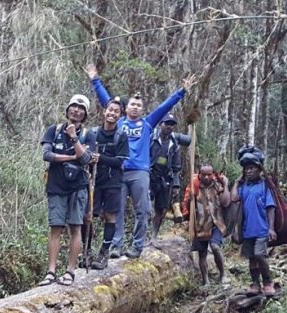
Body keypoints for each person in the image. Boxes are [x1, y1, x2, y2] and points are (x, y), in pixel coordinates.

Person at [85, 64, 197, 258]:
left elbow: (165, 106)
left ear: (142, 109)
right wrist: (95, 79)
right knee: (116, 210)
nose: (135, 107)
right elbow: (106, 101)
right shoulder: (119, 122)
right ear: (125, 108)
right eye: (132, 105)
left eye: (139, 106)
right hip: (119, 171)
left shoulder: (148, 123)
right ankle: (116, 246)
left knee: (142, 209)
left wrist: (182, 91)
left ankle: (137, 246)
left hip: (140, 172)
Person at [37, 94, 93, 286]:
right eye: (73, 106)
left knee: (75, 227)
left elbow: (86, 159)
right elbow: (47, 155)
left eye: (80, 108)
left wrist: (74, 137)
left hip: (78, 186)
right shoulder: (53, 130)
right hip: (56, 184)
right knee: (55, 228)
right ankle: (51, 271)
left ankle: (70, 271)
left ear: (85, 114)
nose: (76, 110)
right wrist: (70, 158)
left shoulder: (88, 134)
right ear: (68, 109)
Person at [87, 97, 129, 269]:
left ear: (120, 115)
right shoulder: (93, 133)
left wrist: (101, 158)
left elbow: (120, 161)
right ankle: (86, 251)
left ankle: (104, 253)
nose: (112, 113)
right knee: (88, 216)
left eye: (116, 111)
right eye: (110, 110)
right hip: (94, 181)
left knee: (110, 216)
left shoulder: (121, 136)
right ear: (104, 111)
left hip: (113, 182)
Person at [231, 146, 277, 297]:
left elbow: (271, 207)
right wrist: (237, 183)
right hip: (247, 230)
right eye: (246, 169)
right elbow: (234, 198)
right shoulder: (244, 187)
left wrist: (271, 228)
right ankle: (255, 284)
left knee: (259, 255)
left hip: (262, 229)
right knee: (251, 258)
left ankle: (268, 283)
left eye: (252, 168)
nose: (249, 171)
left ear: (259, 169)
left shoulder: (264, 186)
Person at [189, 164, 230, 284]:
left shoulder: (217, 185)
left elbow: (226, 202)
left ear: (213, 174)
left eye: (209, 174)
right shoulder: (194, 187)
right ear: (199, 174)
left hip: (216, 223)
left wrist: (226, 184)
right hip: (200, 226)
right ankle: (205, 281)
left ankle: (223, 275)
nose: (206, 177)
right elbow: (187, 205)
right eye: (204, 174)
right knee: (202, 254)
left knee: (215, 247)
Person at [150, 113, 183, 242]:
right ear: (160, 124)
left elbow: (176, 166)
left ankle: (153, 236)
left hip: (165, 180)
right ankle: (140, 237)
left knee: (161, 210)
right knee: (146, 207)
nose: (169, 127)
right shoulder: (151, 138)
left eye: (172, 125)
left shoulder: (174, 145)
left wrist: (176, 185)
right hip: (150, 176)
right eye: (167, 123)